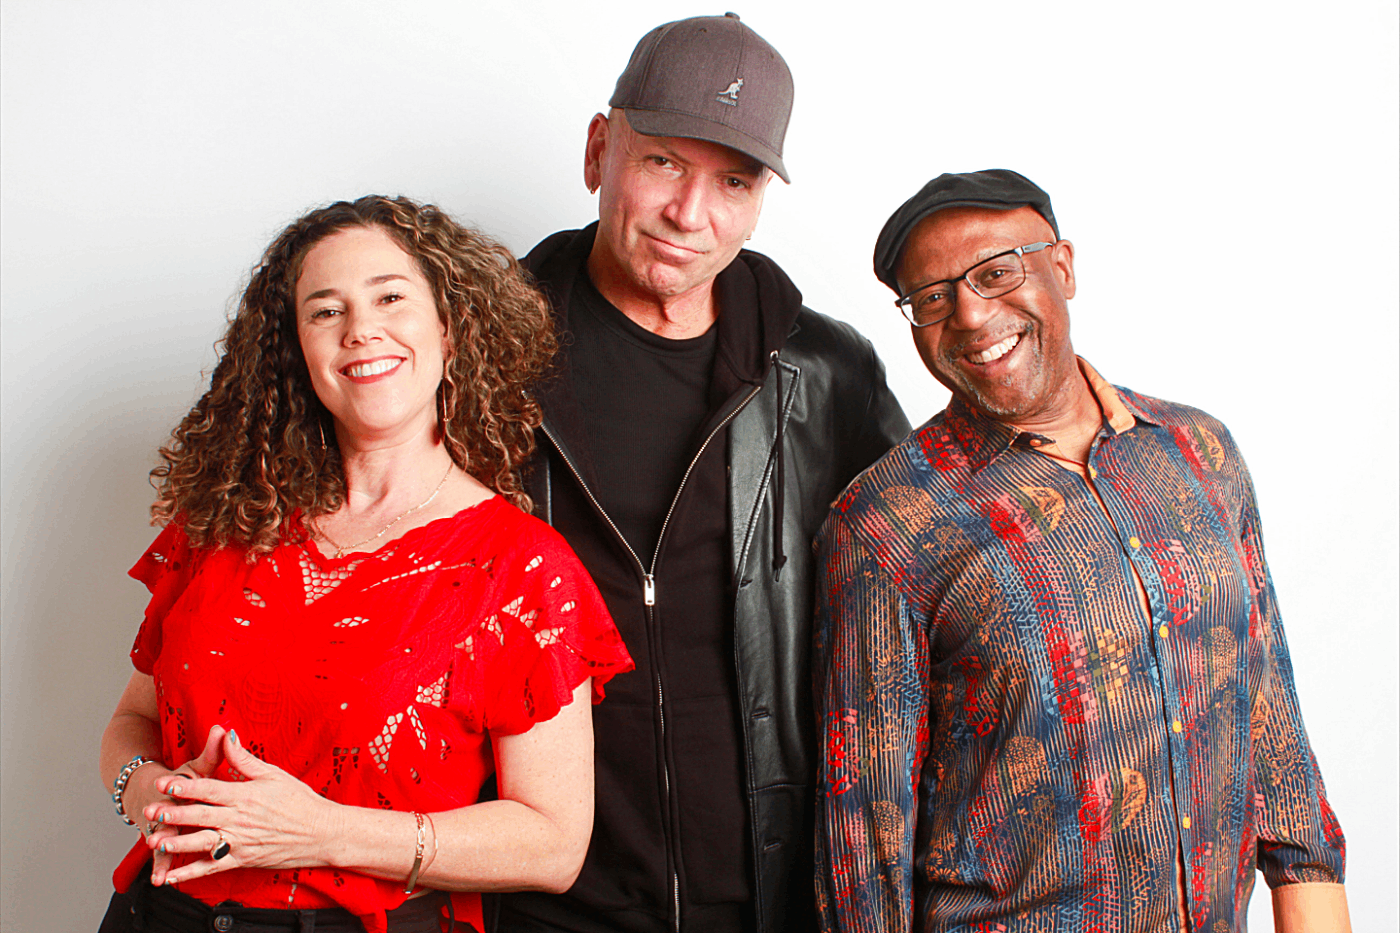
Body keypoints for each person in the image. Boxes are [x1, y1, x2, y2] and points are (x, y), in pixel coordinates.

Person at [813, 170, 1350, 932]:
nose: (970, 314)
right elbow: (863, 850)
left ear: (1062, 267)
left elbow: (1272, 727)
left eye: (996, 273)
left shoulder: (1199, 453)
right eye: (932, 297)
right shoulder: (884, 524)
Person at [97, 195, 634, 933]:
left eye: (390, 298)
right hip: (157, 916)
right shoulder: (224, 520)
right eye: (326, 310)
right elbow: (132, 718)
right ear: (296, 349)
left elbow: (553, 843)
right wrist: (149, 791)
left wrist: (320, 832)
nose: (360, 330)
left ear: (449, 328)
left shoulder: (522, 569)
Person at [496, 14, 909, 933]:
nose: (691, 214)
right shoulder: (481, 357)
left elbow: (939, 590)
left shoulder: (825, 374)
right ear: (599, 150)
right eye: (663, 162)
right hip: (536, 899)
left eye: (733, 181)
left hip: (769, 897)